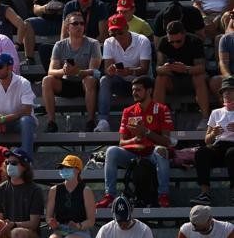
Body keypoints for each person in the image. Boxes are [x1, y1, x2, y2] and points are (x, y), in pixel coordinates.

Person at [96, 76, 173, 209]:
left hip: (152, 153)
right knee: (111, 151)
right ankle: (109, 196)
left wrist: (146, 132)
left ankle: (163, 196)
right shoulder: (128, 111)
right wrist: (135, 139)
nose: (134, 93)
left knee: (162, 150)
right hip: (132, 154)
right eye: (133, 90)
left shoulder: (162, 109)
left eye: (138, 90)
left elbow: (166, 141)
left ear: (149, 91)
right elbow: (122, 142)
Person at [42, 12, 102, 132]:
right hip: (66, 82)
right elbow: (51, 71)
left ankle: (91, 121)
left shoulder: (93, 44)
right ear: (67, 27)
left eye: (82, 23)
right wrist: (64, 71)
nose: (79, 26)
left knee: (90, 80)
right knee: (47, 80)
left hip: (84, 84)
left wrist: (77, 72)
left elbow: (94, 71)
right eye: (75, 23)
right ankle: (51, 122)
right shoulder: (59, 45)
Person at [97, 14, 152, 132]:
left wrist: (130, 71)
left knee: (143, 81)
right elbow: (107, 69)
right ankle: (103, 121)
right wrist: (111, 71)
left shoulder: (142, 40)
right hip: (121, 82)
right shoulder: (108, 42)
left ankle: (145, 118)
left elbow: (144, 69)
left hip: (141, 82)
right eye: (113, 34)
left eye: (120, 32)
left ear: (127, 27)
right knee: (104, 80)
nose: (117, 36)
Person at [155, 21, 210, 130]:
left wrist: (186, 69)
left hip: (191, 79)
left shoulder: (195, 41)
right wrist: (164, 68)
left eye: (178, 41)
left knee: (198, 77)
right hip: (173, 80)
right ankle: (157, 118)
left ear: (184, 34)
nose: (175, 44)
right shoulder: (163, 42)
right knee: (160, 78)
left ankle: (205, 118)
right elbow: (158, 68)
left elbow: (201, 68)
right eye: (172, 42)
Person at [0, 53, 37, 155]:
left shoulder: (23, 83)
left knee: (26, 120)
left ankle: (27, 159)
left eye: (0, 66)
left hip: (19, 123)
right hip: (1, 123)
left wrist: (2, 119)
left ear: (10, 68)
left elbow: (27, 111)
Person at [192, 77, 234, 205]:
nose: (226, 93)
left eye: (230, 90)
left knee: (232, 153)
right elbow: (207, 140)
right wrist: (214, 133)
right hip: (219, 145)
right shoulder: (216, 113)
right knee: (202, 152)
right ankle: (205, 193)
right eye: (224, 91)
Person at [46, 155, 96, 238]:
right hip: (60, 230)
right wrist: (51, 222)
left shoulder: (86, 190)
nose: (64, 170)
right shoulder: (54, 190)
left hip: (81, 232)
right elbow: (48, 217)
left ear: (77, 170)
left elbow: (91, 221)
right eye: (62, 167)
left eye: (68, 167)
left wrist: (78, 226)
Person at [91, 195, 156, 238]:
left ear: (131, 211)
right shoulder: (105, 229)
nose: (123, 224)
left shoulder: (144, 230)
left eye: (126, 220)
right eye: (120, 222)